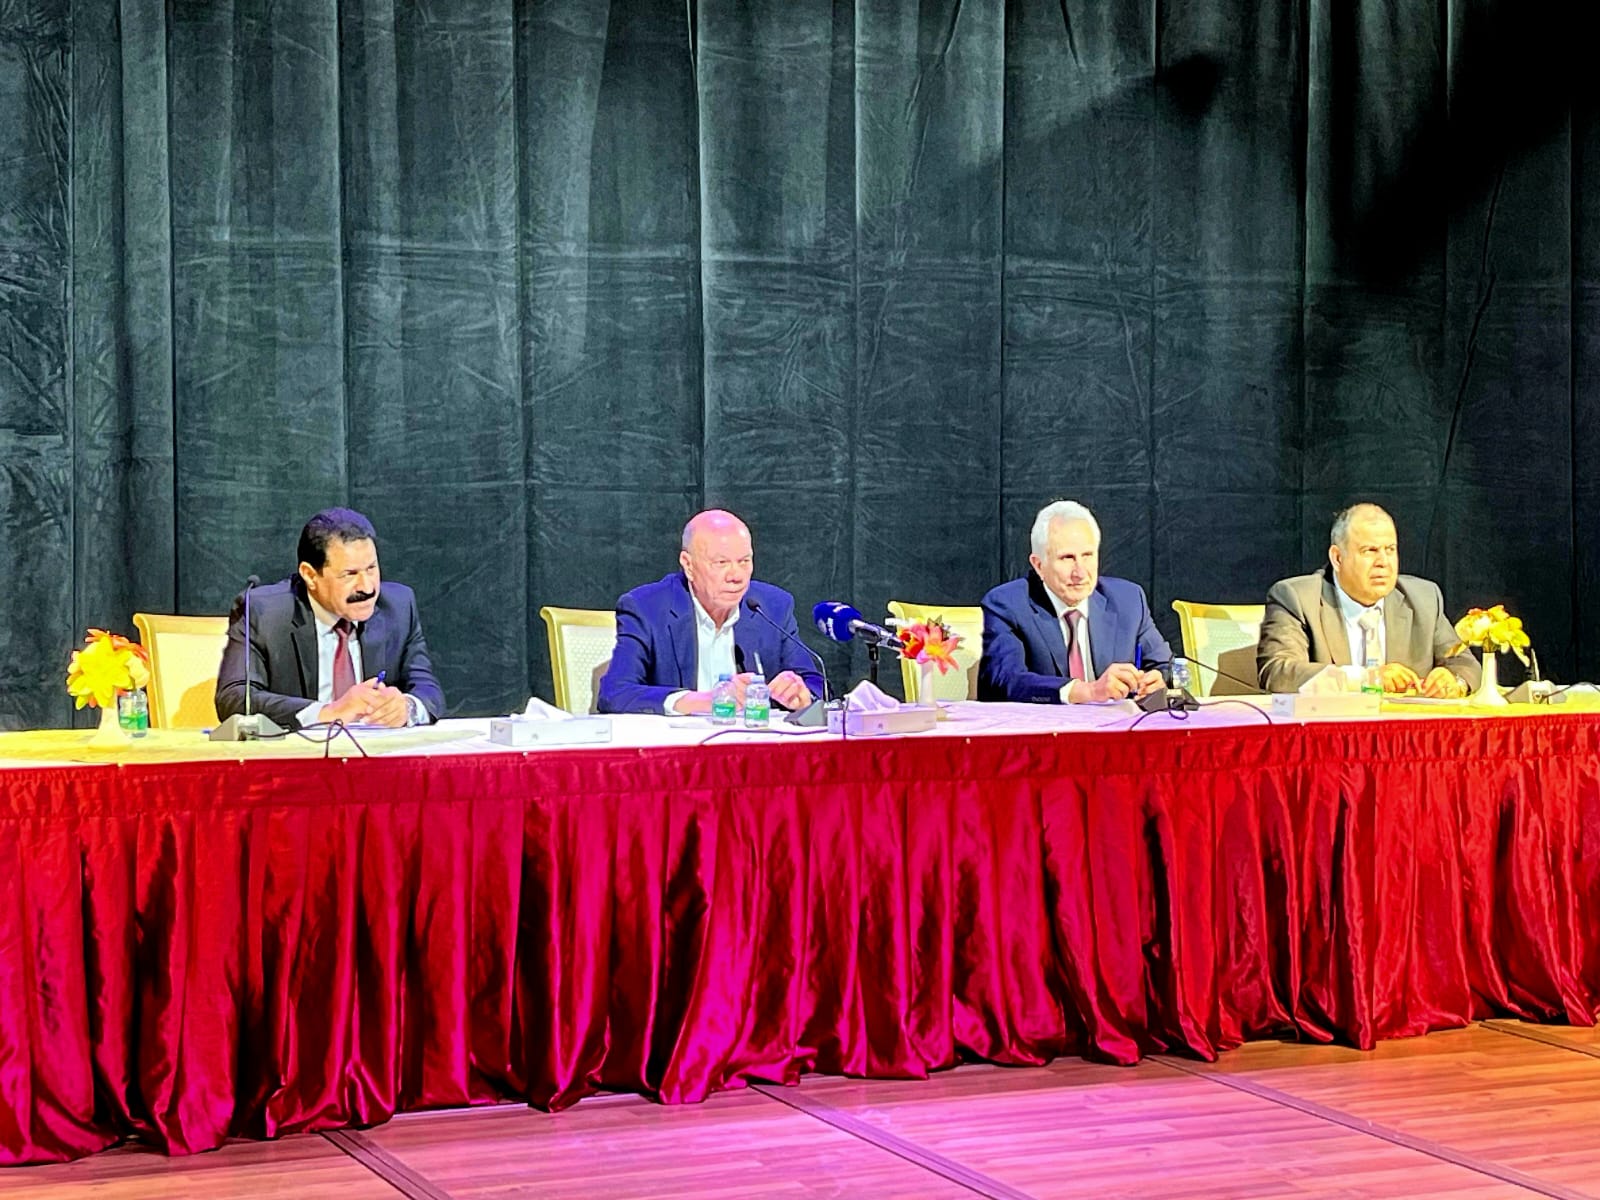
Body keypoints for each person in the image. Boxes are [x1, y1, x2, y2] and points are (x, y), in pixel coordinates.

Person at [214, 508, 445, 730]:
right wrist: (328, 712)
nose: (367, 587)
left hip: (376, 752)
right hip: (298, 753)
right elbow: (235, 698)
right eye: (350, 574)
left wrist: (407, 707)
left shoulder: (398, 607)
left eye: (371, 568)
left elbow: (428, 689)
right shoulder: (264, 613)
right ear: (310, 575)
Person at [597, 509, 825, 715]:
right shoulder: (647, 608)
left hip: (755, 741)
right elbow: (614, 693)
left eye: (744, 561)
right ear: (688, 565)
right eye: (721, 563)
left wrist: (801, 694)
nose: (736, 576)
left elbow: (817, 686)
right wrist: (701, 701)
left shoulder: (773, 607)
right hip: (680, 744)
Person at [1256, 502, 1480, 695]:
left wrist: (1454, 681)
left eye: (1390, 549)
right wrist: (1366, 679)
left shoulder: (1424, 598)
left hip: (1404, 729)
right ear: (1337, 558)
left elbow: (1466, 664)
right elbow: (1278, 673)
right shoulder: (1297, 598)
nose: (1383, 562)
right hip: (1331, 728)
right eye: (1369, 551)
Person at [978, 500, 1170, 703]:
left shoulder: (1129, 600)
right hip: (1045, 721)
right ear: (1039, 565)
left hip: (1118, 721)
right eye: (1067, 558)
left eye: (1087, 555)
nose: (1080, 572)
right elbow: (1007, 681)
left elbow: (1164, 664)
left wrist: (1156, 679)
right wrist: (1087, 691)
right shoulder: (1007, 605)